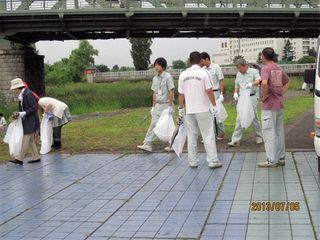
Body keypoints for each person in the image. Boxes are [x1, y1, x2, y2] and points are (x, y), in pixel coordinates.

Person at [178, 51, 222, 169]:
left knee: (192, 136)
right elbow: (209, 91)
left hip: (189, 110)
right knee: (208, 135)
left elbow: (181, 94)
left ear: (189, 60)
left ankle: (192, 161)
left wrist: (181, 108)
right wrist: (214, 105)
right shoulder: (204, 73)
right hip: (203, 109)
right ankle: (213, 161)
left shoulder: (183, 74)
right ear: (200, 60)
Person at [258, 47, 289, 168]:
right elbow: (287, 81)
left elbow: (264, 83)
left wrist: (265, 95)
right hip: (279, 103)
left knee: (268, 132)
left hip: (269, 105)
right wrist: (281, 93)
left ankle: (271, 160)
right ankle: (281, 158)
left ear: (264, 56)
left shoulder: (265, 68)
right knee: (279, 131)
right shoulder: (278, 67)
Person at [137, 57, 175, 152]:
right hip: (158, 105)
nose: (156, 67)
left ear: (163, 66)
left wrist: (170, 106)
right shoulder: (155, 78)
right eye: (155, 65)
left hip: (166, 105)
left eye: (158, 65)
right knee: (153, 124)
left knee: (168, 126)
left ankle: (173, 145)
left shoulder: (168, 77)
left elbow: (171, 91)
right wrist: (153, 107)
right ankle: (147, 144)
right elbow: (154, 93)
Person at [228, 58, 263, 147]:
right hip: (242, 98)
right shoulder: (239, 74)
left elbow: (259, 80)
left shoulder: (253, 71)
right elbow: (237, 85)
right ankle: (235, 140)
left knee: (254, 117)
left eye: (240, 68)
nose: (239, 70)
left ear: (245, 66)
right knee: (240, 117)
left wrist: (252, 84)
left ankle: (259, 136)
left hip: (252, 96)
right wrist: (235, 93)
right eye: (237, 68)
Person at [9, 78, 40, 165]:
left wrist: (23, 113)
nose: (14, 91)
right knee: (30, 140)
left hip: (31, 120)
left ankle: (19, 158)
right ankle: (36, 156)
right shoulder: (23, 94)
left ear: (18, 87)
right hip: (27, 119)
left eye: (15, 89)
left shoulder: (27, 94)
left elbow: (34, 108)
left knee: (25, 139)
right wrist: (19, 114)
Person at [199, 52, 225, 141]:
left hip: (216, 92)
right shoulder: (202, 69)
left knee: (217, 114)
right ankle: (209, 134)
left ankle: (221, 133)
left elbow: (221, 80)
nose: (201, 62)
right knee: (207, 114)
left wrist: (221, 93)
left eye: (202, 60)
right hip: (207, 94)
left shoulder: (216, 67)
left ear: (207, 59)